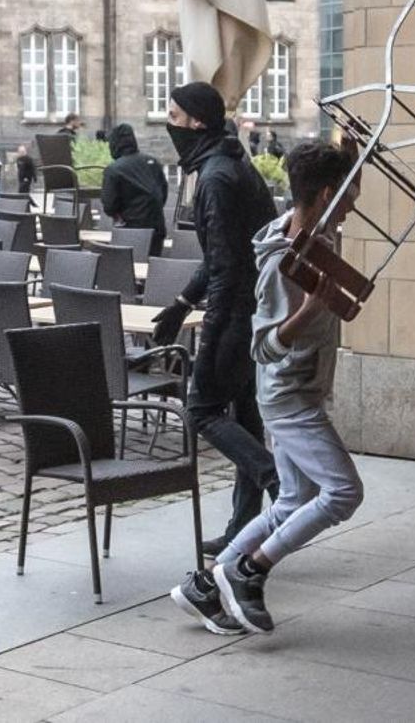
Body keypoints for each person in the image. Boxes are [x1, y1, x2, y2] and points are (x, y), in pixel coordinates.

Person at [175, 140, 365, 637]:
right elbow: (261, 347)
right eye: (348, 193)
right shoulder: (283, 263)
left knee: (291, 500)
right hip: (289, 396)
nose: (354, 203)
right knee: (343, 492)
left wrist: (353, 152)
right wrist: (307, 314)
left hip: (294, 392)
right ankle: (248, 572)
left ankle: (202, 586)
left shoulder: (312, 236)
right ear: (326, 195)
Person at [151, 82, 280, 558]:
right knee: (245, 419)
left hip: (239, 314)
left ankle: (277, 482)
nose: (170, 124)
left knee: (201, 408)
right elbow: (225, 253)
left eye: (174, 117)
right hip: (249, 311)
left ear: (197, 123)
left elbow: (228, 267)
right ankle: (246, 531)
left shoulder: (218, 178)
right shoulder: (224, 164)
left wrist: (212, 331)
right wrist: (183, 302)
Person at [101, 123, 169, 256]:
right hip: (156, 228)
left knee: (129, 270)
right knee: (153, 271)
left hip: (130, 230)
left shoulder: (114, 170)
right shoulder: (153, 162)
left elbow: (109, 205)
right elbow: (163, 192)